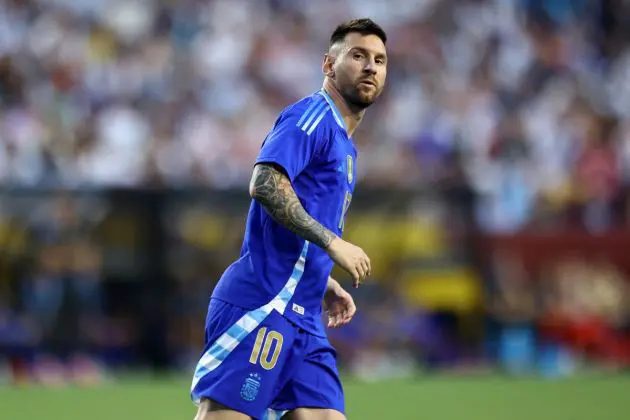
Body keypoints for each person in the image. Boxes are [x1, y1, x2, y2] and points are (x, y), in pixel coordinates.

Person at [191, 18, 388, 420]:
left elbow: (298, 220)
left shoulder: (345, 147)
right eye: (358, 55)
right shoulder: (312, 116)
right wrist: (333, 245)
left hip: (304, 315)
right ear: (328, 66)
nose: (370, 66)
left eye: (379, 60)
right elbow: (265, 183)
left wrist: (321, 280)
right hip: (264, 303)